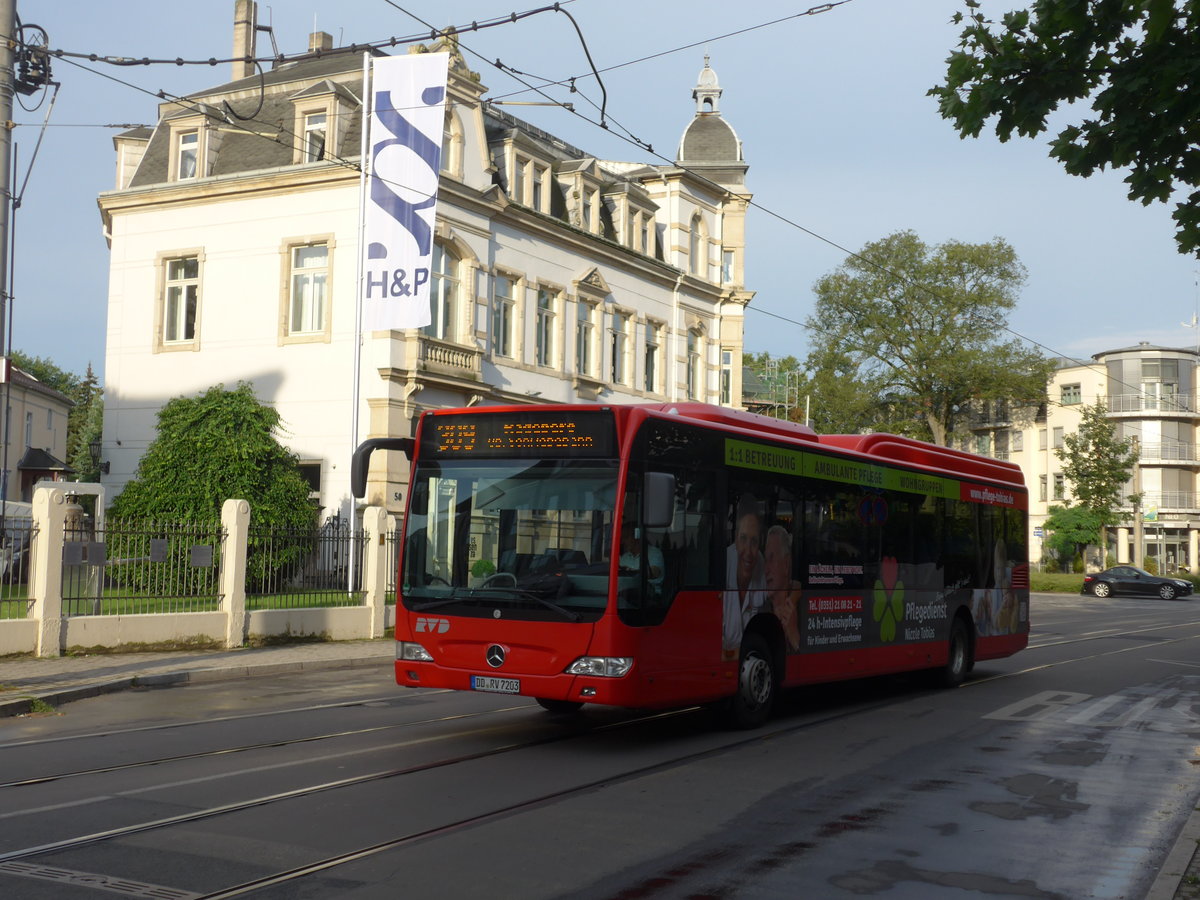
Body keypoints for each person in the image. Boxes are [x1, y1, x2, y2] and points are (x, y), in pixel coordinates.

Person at [722, 494, 767, 658]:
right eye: (743, 539)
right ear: (735, 539)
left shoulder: (762, 564)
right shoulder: (723, 564)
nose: (748, 552)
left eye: (754, 541)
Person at [764, 524, 802, 652]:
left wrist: (794, 635)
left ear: (786, 564)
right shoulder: (760, 611)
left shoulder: (804, 609)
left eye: (771, 559)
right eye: (765, 560)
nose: (766, 569)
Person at [619, 522, 664, 589]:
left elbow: (655, 572)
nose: (622, 542)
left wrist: (631, 572)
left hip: (649, 595)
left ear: (636, 536)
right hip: (627, 595)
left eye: (625, 537)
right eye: (621, 538)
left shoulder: (654, 552)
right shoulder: (624, 558)